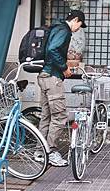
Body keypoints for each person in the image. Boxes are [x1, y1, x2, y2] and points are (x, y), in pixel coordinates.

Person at [36, 10, 86, 167]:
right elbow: (53, 49)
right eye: (80, 25)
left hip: (44, 75)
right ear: (75, 20)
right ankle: (50, 151)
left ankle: (40, 152)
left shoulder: (55, 27)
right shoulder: (64, 30)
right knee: (59, 116)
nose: (79, 28)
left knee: (46, 116)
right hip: (52, 77)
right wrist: (64, 67)